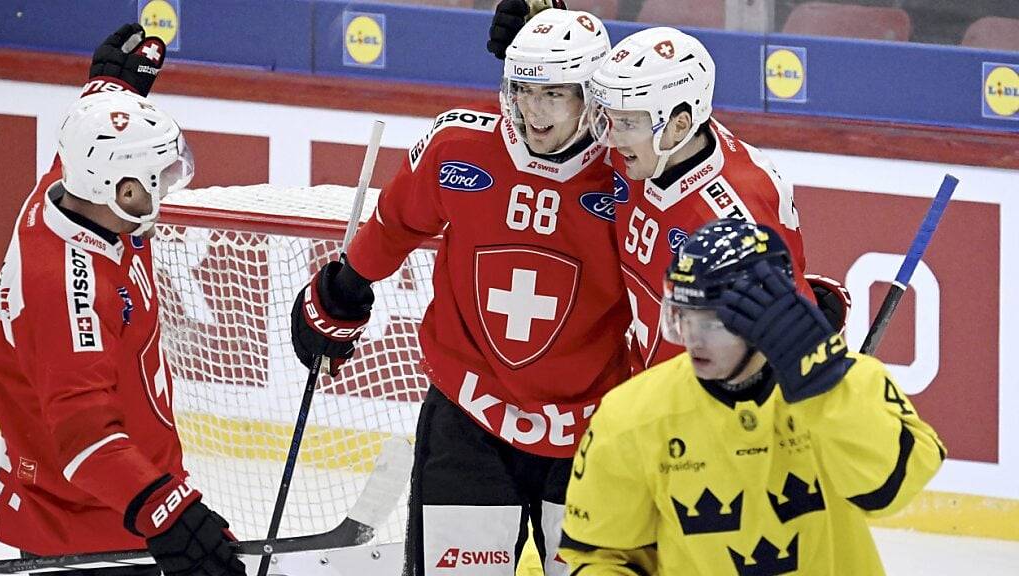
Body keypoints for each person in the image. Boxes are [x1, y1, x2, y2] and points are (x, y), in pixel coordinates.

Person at [290, 9, 630, 576]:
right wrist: (347, 287)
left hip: (591, 431)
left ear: (593, 96)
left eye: (554, 93)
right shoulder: (459, 147)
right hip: (470, 415)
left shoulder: (630, 174)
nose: (533, 110)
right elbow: (397, 222)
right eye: (523, 89)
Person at [558, 219, 946, 575]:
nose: (693, 339)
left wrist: (827, 386)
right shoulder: (631, 415)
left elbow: (892, 490)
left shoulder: (851, 381)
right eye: (684, 318)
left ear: (767, 316)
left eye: (714, 323)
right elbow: (602, 556)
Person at [0, 24, 245, 576]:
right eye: (156, 177)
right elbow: (85, 438)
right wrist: (170, 514)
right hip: (87, 535)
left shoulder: (81, 188)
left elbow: (96, 126)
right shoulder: (67, 294)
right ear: (122, 189)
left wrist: (113, 85)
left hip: (129, 503)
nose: (165, 186)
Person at [488, 6, 840, 373]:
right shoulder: (652, 149)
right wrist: (545, 45)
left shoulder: (730, 225)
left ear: (679, 125)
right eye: (609, 118)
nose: (611, 139)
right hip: (652, 385)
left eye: (627, 123)